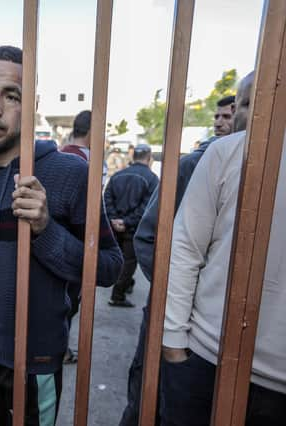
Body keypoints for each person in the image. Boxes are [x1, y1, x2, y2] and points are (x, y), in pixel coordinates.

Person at [0, 45, 123, 425]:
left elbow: (109, 268)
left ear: (31, 104)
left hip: (37, 360)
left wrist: (45, 230)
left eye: (11, 96)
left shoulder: (70, 174)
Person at [119, 86, 245, 425]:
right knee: (146, 399)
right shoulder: (192, 164)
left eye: (228, 114)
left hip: (225, 331)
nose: (222, 121)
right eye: (218, 115)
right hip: (170, 311)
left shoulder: (262, 171)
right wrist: (174, 294)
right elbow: (148, 237)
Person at [160, 84, 286, 425]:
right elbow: (179, 247)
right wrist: (172, 342)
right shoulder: (225, 153)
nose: (231, 116)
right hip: (207, 358)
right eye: (245, 102)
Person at [104, 143, 158, 307]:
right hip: (133, 230)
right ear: (149, 158)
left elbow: (107, 198)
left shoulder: (118, 175)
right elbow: (148, 208)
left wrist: (114, 219)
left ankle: (126, 285)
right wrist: (126, 222)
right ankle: (118, 295)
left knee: (119, 258)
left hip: (116, 227)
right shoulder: (152, 179)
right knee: (128, 263)